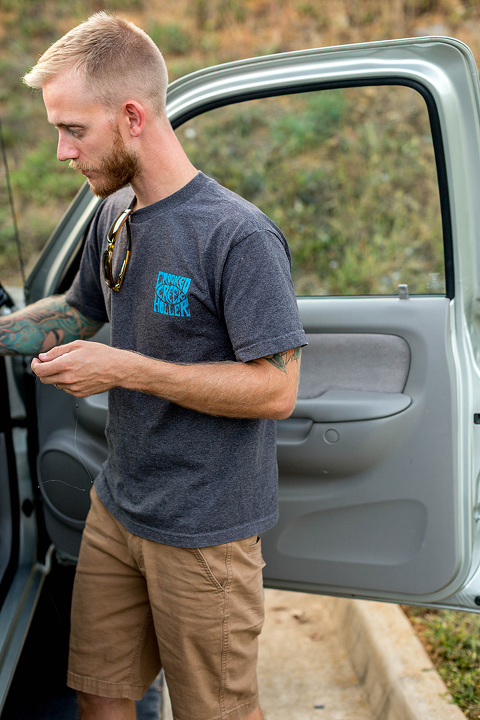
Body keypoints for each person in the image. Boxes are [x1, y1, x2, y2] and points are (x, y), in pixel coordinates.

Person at [2, 12, 307, 720]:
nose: (59, 150)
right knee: (101, 693)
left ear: (132, 115)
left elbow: (278, 390)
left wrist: (124, 370)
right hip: (120, 506)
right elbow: (78, 312)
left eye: (73, 129)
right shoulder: (113, 212)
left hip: (205, 532)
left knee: (217, 712)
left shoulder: (236, 235)